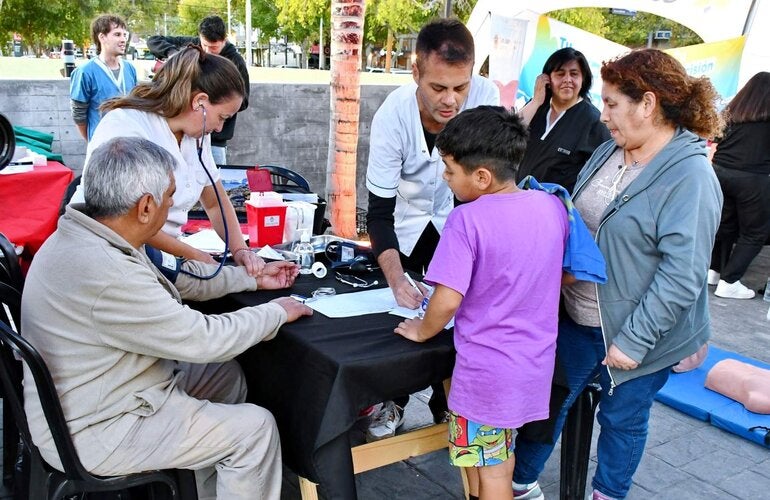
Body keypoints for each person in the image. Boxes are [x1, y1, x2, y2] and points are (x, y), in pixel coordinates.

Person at [21, 137, 312, 499]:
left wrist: (251, 277)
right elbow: (204, 339)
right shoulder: (108, 270)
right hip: (95, 428)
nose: (173, 204)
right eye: (170, 195)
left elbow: (176, 278)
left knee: (225, 378)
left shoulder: (90, 232)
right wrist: (276, 312)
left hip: (98, 393)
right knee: (256, 431)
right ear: (145, 207)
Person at [512, 49, 723, 500]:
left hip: (638, 332)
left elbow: (683, 275)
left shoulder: (690, 175)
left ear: (647, 104)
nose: (602, 114)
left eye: (611, 104)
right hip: (578, 314)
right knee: (547, 404)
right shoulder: (612, 148)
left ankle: (607, 494)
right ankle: (519, 483)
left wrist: (634, 340)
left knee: (622, 419)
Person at [395, 106, 569, 500]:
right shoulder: (551, 207)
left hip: (487, 376)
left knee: (490, 472)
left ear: (481, 177)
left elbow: (446, 301)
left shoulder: (466, 221)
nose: (444, 177)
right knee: (497, 459)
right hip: (533, 366)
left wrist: (421, 330)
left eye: (449, 170)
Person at [364, 18, 500, 440]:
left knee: (466, 316)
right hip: (405, 225)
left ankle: (451, 406)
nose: (452, 100)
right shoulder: (392, 115)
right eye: (439, 88)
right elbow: (379, 213)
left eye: (461, 87)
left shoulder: (487, 98)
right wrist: (395, 278)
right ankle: (396, 399)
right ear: (416, 72)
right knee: (402, 313)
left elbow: (490, 190)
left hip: (466, 219)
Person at [73, 45, 263, 275]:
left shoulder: (195, 136)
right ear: (199, 102)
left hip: (164, 256)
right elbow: (126, 223)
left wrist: (240, 249)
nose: (220, 128)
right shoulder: (127, 128)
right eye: (222, 117)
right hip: (115, 260)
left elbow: (215, 202)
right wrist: (193, 255)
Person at [148, 15, 249, 165]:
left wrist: (218, 107)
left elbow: (243, 100)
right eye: (204, 45)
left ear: (224, 40)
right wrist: (172, 53)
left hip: (215, 142)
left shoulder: (235, 61)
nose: (207, 51)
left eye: (213, 47)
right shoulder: (193, 47)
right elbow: (153, 40)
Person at [707, 71, 770, 299]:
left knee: (725, 226)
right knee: (755, 233)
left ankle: (714, 271)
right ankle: (730, 281)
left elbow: (713, 142)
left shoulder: (731, 114)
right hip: (752, 179)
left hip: (719, 173)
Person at [516, 47, 610, 193]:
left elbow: (601, 173)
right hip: (519, 197)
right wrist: (535, 101)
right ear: (547, 78)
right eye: (560, 74)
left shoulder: (593, 120)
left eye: (574, 74)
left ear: (583, 79)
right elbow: (508, 136)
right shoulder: (536, 107)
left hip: (555, 208)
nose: (567, 80)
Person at [70, 14, 138, 141]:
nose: (123, 39)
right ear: (102, 37)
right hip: (102, 143)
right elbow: (79, 114)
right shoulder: (85, 72)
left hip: (129, 143)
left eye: (125, 35)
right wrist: (93, 139)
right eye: (117, 34)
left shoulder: (130, 69)